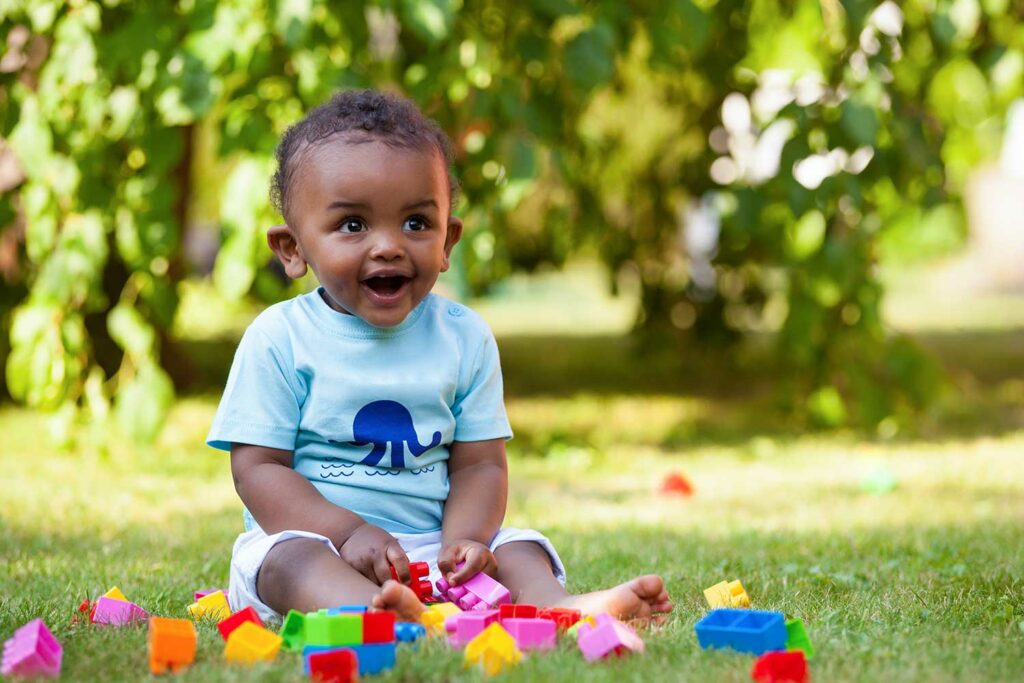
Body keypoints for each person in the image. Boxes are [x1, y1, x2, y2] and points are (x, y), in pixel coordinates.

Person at [207, 89, 673, 624]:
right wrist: (348, 532)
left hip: (431, 550)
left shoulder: (464, 339)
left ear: (448, 240)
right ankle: (374, 612)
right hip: (321, 546)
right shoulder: (279, 338)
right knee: (286, 561)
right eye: (353, 225)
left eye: (415, 223)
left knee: (520, 548)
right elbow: (258, 470)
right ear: (292, 249)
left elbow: (479, 464)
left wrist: (465, 542)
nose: (388, 246)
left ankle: (563, 611)